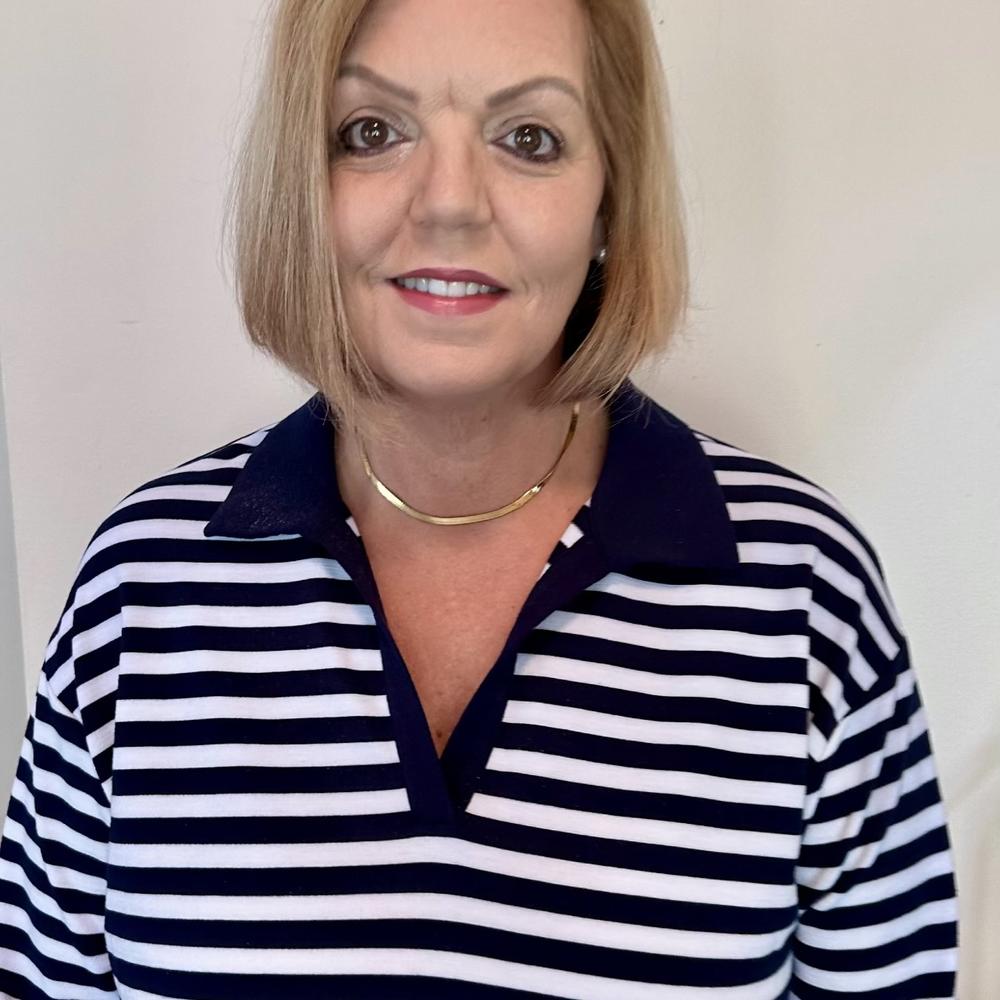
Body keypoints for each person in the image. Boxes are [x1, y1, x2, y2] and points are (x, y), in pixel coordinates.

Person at [0, 0, 959, 996]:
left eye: (528, 138)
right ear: (302, 184)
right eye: (371, 131)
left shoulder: (802, 594)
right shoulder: (144, 587)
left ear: (610, 198)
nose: (450, 203)